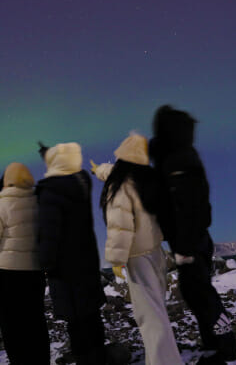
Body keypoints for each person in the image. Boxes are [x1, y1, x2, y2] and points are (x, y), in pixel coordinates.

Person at [149, 105, 236, 365]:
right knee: (196, 292)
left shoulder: (177, 158)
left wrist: (185, 247)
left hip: (189, 239)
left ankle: (228, 353)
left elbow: (188, 205)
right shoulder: (176, 156)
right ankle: (216, 349)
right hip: (189, 238)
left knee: (201, 294)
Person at [93, 134, 183, 365]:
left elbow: (120, 227)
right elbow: (113, 173)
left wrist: (115, 259)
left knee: (150, 318)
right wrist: (99, 171)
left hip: (136, 259)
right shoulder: (149, 181)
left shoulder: (120, 187)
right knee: (157, 311)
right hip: (155, 252)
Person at [0, 163, 50, 365]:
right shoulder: (40, 204)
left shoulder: (0, 207)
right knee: (36, 323)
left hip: (9, 276)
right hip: (35, 273)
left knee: (13, 328)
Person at [35, 142, 107, 365]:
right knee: (92, 319)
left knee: (76, 326)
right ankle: (100, 359)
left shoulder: (51, 191)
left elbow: (50, 234)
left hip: (65, 271)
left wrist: (44, 263)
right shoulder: (81, 182)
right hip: (87, 262)